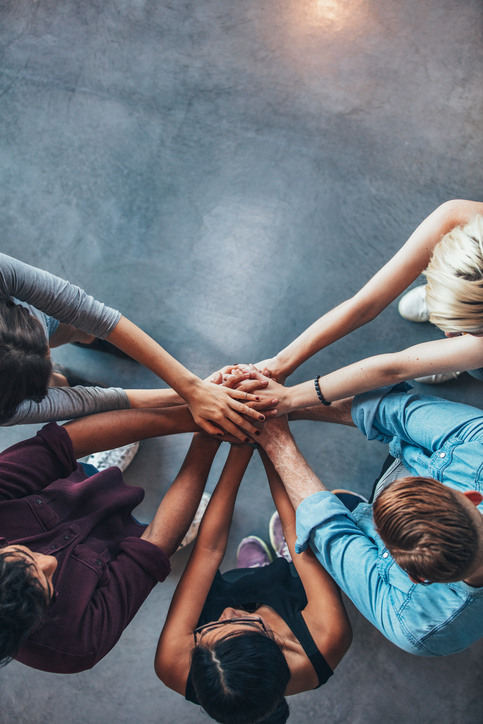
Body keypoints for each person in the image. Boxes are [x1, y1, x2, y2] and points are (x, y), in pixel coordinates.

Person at [254, 383, 483, 657]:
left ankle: (351, 507)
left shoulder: (416, 626)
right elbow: (395, 411)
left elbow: (333, 533)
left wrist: (273, 437)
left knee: (331, 526)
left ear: (416, 577)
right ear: (471, 497)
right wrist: (286, 403)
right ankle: (351, 505)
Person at [0, 401, 216, 673]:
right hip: (125, 548)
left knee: (83, 467)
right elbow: (154, 547)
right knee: (157, 543)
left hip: (71, 489)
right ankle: (167, 525)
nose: (50, 564)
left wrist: (195, 414)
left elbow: (62, 445)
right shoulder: (77, 644)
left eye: (25, 557)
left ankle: (96, 472)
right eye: (47, 586)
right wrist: (208, 438)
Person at [155, 428, 352, 723]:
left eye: (207, 630)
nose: (226, 611)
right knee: (308, 547)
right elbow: (293, 526)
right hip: (291, 592)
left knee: (236, 577)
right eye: (239, 622)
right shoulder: (328, 638)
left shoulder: (173, 662)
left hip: (231, 584)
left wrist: (243, 446)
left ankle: (256, 573)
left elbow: (208, 551)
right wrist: (269, 439)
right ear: (276, 645)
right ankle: (281, 564)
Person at [0, 252, 265, 441]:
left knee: (72, 327)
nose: (48, 349)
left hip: (36, 327)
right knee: (50, 385)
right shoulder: (6, 408)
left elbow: (83, 309)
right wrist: (192, 393)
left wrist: (193, 388)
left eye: (43, 346)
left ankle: (83, 339)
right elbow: (85, 403)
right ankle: (58, 378)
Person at [247, 199, 483, 410]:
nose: (449, 334)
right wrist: (281, 363)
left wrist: (290, 398)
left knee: (476, 361)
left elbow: (396, 368)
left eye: (473, 329)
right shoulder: (456, 216)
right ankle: (456, 297)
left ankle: (460, 359)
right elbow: (365, 304)